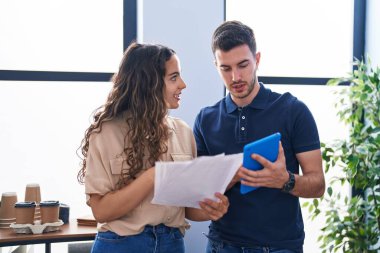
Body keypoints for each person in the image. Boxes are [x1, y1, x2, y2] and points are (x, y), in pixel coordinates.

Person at [77, 42, 229, 253]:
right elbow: (101, 211)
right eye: (173, 78)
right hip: (121, 245)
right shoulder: (106, 132)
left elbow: (187, 209)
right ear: (149, 83)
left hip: (172, 244)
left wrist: (211, 211)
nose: (183, 85)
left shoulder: (183, 132)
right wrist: (153, 176)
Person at [193, 21, 325, 253]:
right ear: (216, 66)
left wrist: (285, 180)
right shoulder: (205, 119)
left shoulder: (293, 110)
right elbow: (199, 193)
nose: (235, 77)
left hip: (278, 247)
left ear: (257, 59)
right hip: (221, 245)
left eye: (243, 65)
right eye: (225, 68)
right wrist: (227, 180)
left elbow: (318, 185)